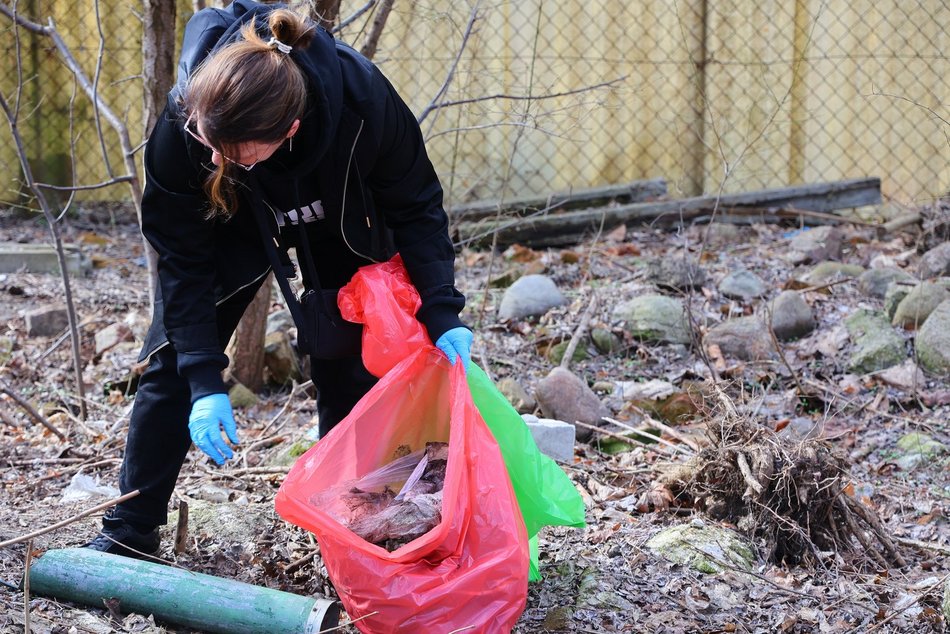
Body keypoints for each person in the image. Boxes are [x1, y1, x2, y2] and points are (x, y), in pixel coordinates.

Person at [85, 0, 472, 558]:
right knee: (174, 359)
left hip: (337, 214)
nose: (217, 160)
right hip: (234, 224)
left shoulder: (363, 102)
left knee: (351, 363)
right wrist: (203, 380)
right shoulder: (187, 126)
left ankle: (351, 534)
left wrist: (439, 306)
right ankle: (129, 532)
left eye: (235, 154)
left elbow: (416, 206)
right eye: (210, 147)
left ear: (289, 130)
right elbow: (183, 260)